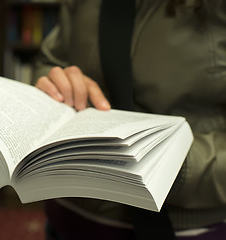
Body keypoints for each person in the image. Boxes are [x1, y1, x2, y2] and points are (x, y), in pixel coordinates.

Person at [32, 0, 226, 239]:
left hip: (184, 226)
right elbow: (50, 62)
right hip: (69, 213)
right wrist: (56, 85)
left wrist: (172, 165)